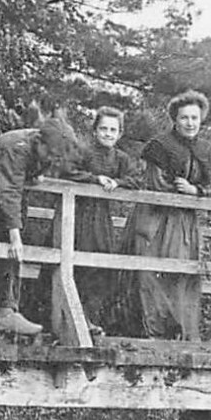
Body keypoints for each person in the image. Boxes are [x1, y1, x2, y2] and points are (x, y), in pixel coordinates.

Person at [0, 118, 80, 337]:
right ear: (40, 143)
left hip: (10, 189)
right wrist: (15, 235)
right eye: (51, 154)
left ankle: (5, 309)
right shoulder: (18, 147)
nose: (52, 160)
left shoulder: (47, 150)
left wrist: (36, 175)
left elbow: (21, 181)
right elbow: (9, 191)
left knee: (11, 251)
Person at [124, 90, 211, 341]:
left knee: (183, 275)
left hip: (186, 222)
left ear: (201, 120)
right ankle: (152, 331)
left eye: (194, 118)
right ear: (175, 119)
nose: (190, 123)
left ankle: (180, 332)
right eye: (184, 117)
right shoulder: (160, 145)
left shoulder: (207, 150)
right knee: (152, 274)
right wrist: (183, 194)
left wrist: (196, 190)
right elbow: (155, 182)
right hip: (157, 219)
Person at [63, 107, 141, 336]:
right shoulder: (84, 151)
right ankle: (72, 318)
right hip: (78, 216)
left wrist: (118, 182)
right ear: (95, 131)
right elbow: (67, 170)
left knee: (101, 267)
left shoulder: (121, 158)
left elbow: (137, 179)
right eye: (103, 129)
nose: (108, 134)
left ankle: (90, 317)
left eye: (113, 130)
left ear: (120, 134)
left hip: (102, 219)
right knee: (78, 264)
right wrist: (94, 179)